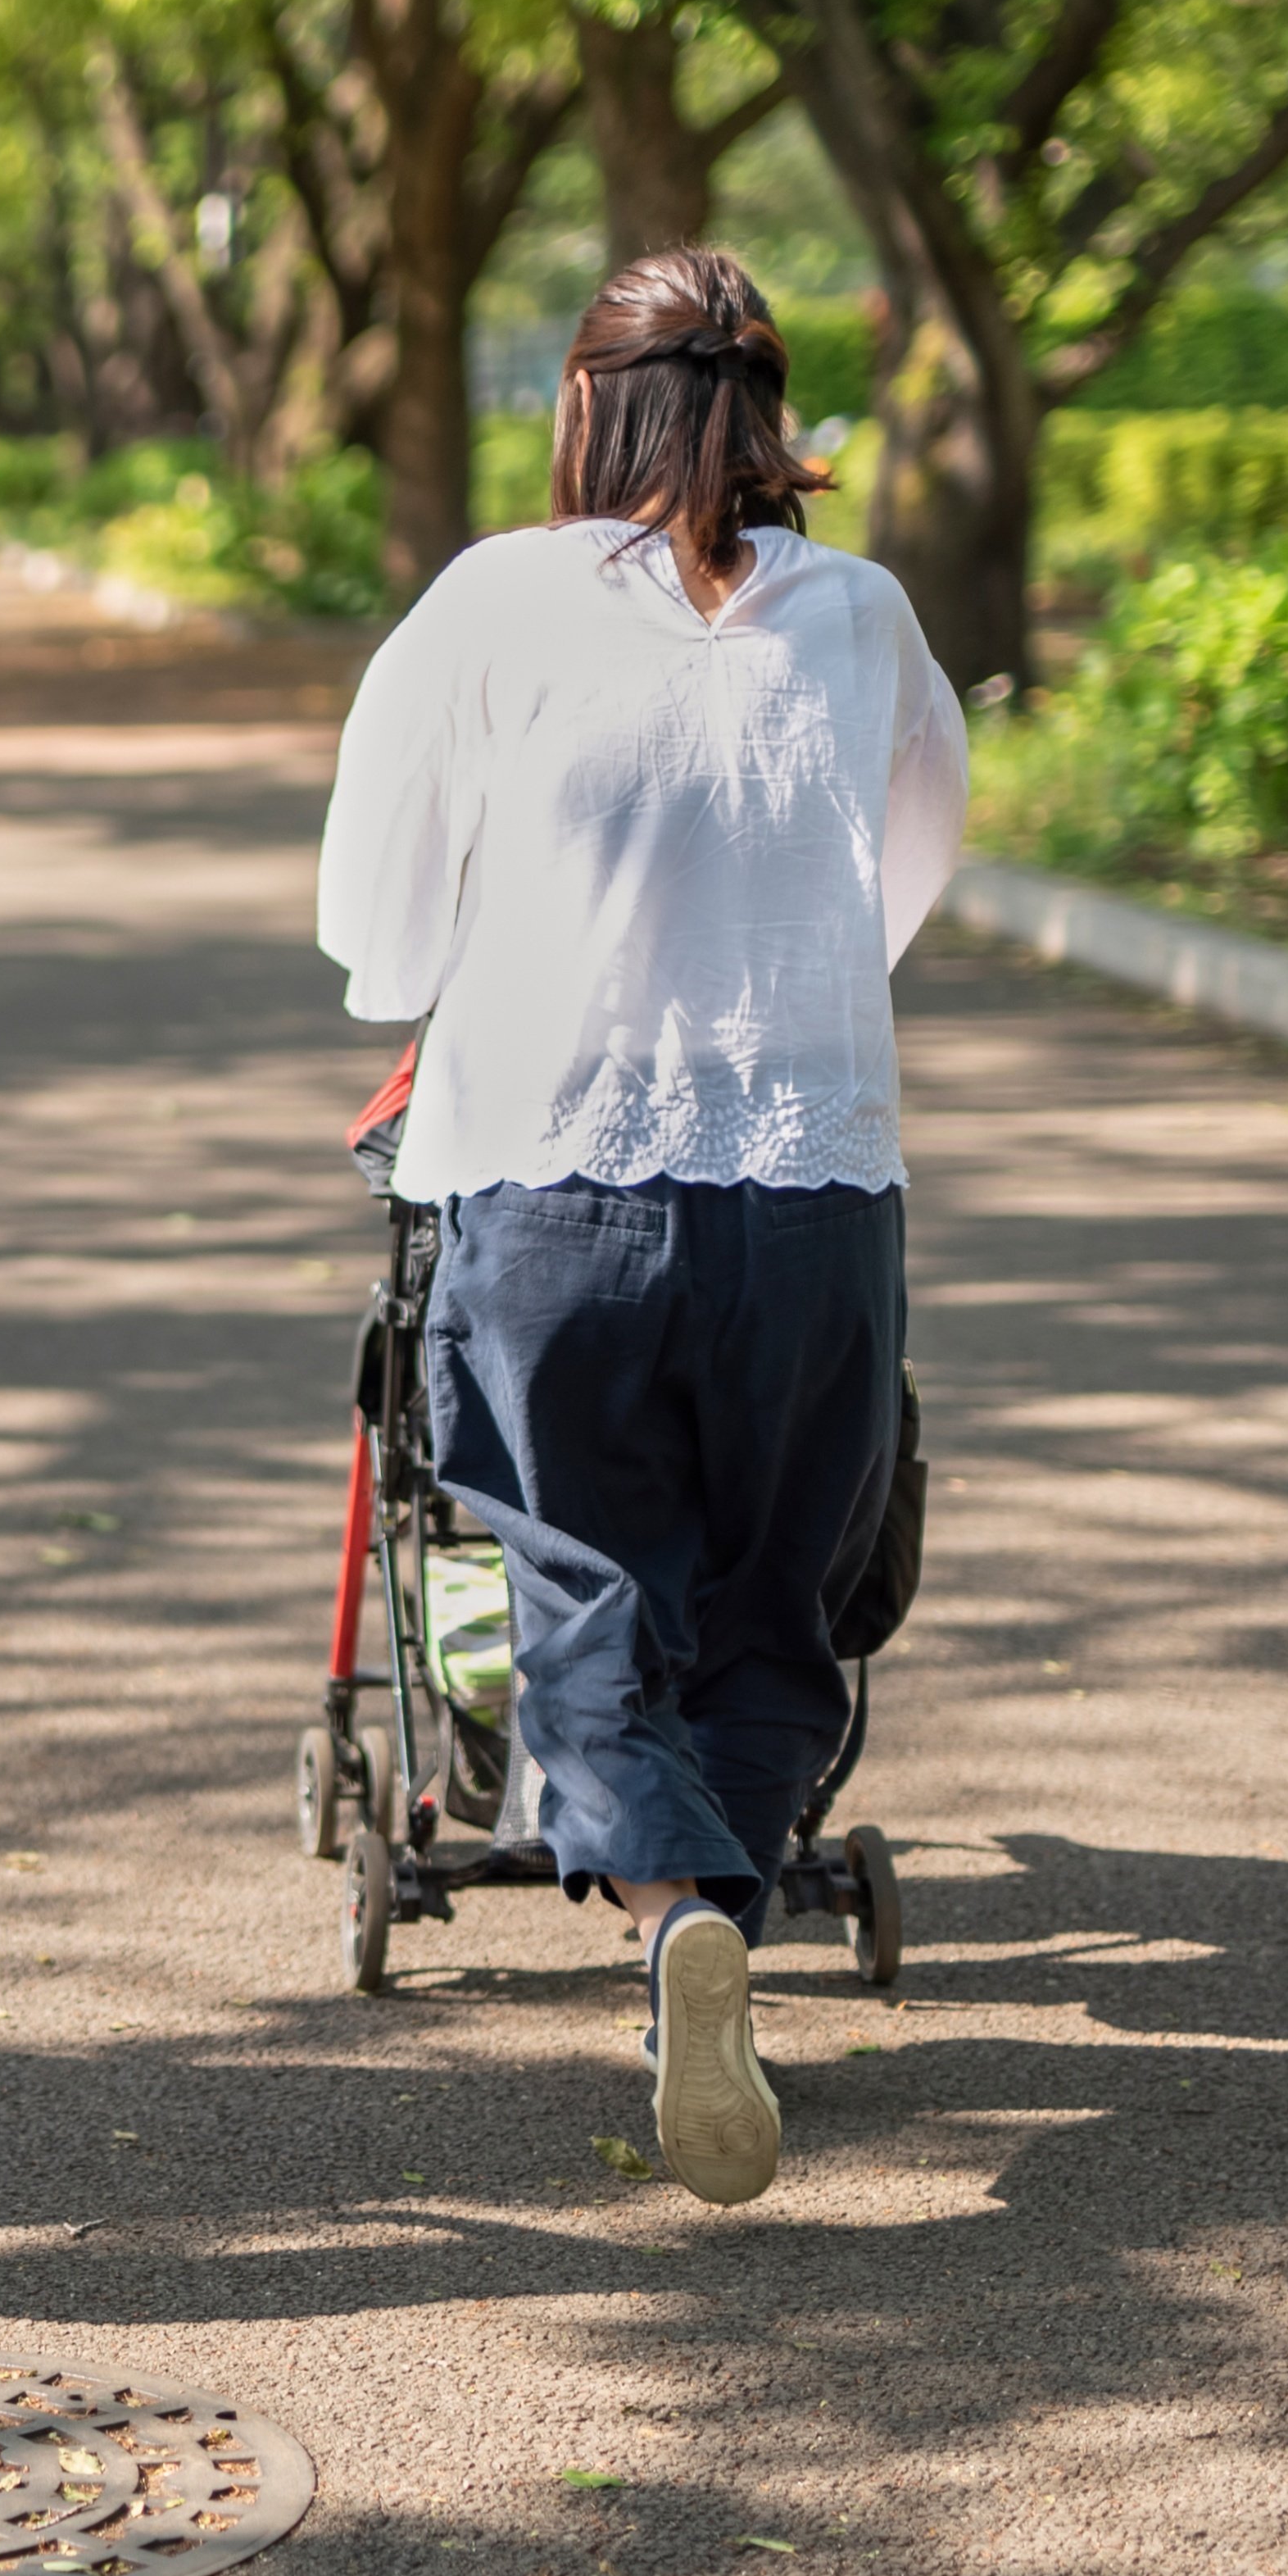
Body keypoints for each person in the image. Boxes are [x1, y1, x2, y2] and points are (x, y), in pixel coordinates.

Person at [312, 246, 965, 2209]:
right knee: (784, 1581)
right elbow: (901, 872)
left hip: (551, 1178)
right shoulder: (858, 618)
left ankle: (669, 1899)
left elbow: (376, 929)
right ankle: (726, 1925)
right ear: (768, 414)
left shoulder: (492, 604)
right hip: (812, 1187)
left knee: (575, 1561)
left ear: (585, 408)